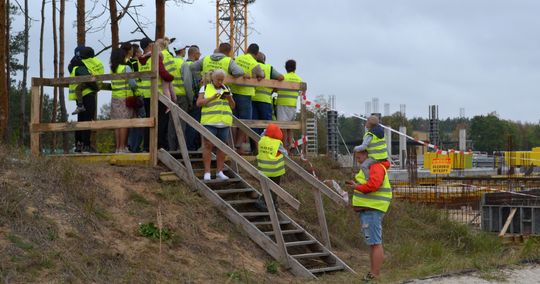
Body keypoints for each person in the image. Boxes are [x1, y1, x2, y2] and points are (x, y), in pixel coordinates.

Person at [346, 150, 392, 282]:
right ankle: (373, 272)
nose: (357, 158)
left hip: (373, 209)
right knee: (373, 243)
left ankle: (374, 274)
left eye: (359, 156)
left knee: (375, 243)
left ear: (367, 154)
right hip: (369, 209)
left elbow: (373, 185)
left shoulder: (375, 167)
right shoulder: (371, 167)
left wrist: (357, 187)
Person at [197, 69, 235, 181]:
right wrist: (212, 97)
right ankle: (207, 172)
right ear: (213, 79)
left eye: (222, 80)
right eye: (218, 79)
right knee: (208, 146)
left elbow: (233, 106)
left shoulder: (226, 88)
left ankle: (220, 171)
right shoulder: (205, 88)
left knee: (222, 147)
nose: (220, 82)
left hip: (224, 122)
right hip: (209, 121)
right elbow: (199, 103)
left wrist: (230, 98)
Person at [138, 37, 174, 151]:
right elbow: (163, 73)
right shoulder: (155, 56)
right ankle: (160, 146)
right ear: (150, 45)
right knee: (161, 121)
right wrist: (171, 77)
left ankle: (147, 146)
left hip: (146, 94)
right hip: (158, 94)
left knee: (149, 121)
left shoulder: (141, 59)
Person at [67, 46, 104, 153]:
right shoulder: (84, 64)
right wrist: (96, 87)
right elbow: (88, 78)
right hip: (87, 94)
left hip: (80, 97)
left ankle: (79, 144)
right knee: (87, 119)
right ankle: (86, 146)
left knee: (81, 119)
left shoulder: (74, 64)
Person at [229, 43, 265, 153]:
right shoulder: (254, 63)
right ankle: (238, 146)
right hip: (245, 94)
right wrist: (258, 76)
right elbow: (262, 74)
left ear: (247, 50)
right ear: (256, 53)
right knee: (245, 121)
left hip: (232, 93)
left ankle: (231, 145)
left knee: (233, 120)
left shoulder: (238, 58)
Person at [167, 42, 195, 151]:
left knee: (171, 124)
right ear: (182, 50)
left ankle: (171, 148)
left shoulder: (169, 62)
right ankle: (180, 148)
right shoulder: (183, 64)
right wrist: (191, 99)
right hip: (182, 97)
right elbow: (187, 83)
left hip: (169, 96)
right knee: (181, 123)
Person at [110, 48, 138, 153]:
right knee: (124, 123)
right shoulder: (126, 68)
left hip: (115, 97)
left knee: (117, 123)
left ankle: (118, 148)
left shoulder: (112, 69)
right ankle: (123, 147)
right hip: (125, 98)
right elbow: (133, 84)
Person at [255, 123, 288, 211]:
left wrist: (266, 131)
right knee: (274, 188)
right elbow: (285, 154)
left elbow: (263, 133)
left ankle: (265, 201)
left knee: (265, 186)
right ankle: (270, 203)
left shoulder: (262, 139)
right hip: (275, 170)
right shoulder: (277, 143)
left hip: (263, 169)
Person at [252, 51, 284, 135]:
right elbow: (281, 77)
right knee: (267, 125)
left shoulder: (252, 66)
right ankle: (265, 144)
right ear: (264, 60)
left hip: (252, 99)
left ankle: (255, 145)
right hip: (265, 100)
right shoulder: (268, 68)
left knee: (253, 124)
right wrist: (273, 87)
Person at [276, 59, 303, 149]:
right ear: (295, 68)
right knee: (290, 126)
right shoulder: (299, 79)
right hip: (293, 104)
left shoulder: (283, 77)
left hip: (282, 104)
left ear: (285, 67)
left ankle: (284, 146)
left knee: (283, 126)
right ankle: (290, 144)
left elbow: (276, 88)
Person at [353, 115, 388, 180]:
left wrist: (355, 148)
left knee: (363, 166)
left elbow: (364, 146)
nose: (365, 123)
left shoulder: (370, 135)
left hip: (375, 157)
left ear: (370, 124)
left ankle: (369, 179)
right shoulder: (380, 132)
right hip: (383, 156)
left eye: (367, 122)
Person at [185, 45, 203, 151]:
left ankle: (187, 145)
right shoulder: (193, 66)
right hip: (193, 98)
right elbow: (195, 85)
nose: (199, 56)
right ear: (195, 54)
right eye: (199, 54)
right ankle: (191, 147)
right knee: (194, 123)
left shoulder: (183, 63)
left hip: (182, 96)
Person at [155, 37, 177, 105]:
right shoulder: (169, 54)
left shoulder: (160, 54)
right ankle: (174, 101)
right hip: (171, 75)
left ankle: (169, 105)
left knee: (166, 90)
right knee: (172, 93)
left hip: (165, 75)